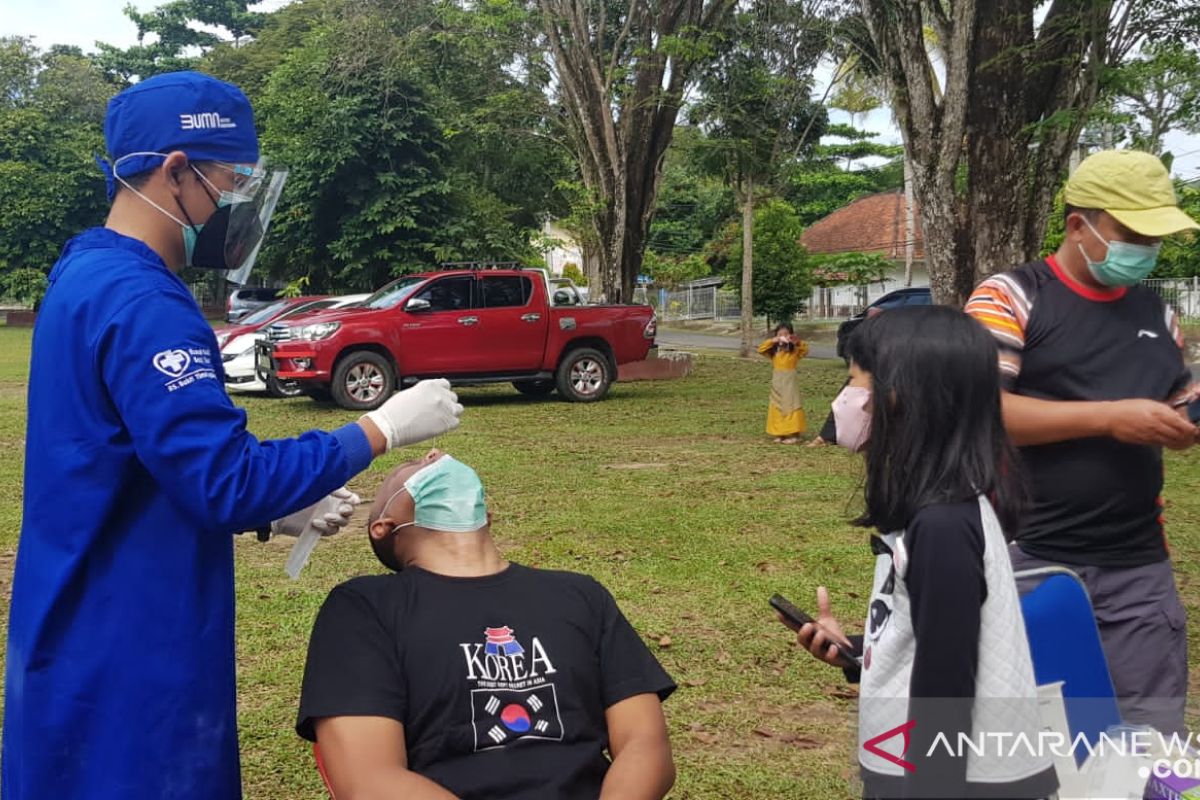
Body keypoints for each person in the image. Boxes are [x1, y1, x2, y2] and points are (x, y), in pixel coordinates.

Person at [2, 71, 464, 800]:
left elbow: (144, 458)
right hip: (131, 644)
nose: (236, 207)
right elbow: (223, 481)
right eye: (230, 182)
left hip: (73, 620)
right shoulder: (143, 301)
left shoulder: (83, 275)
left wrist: (274, 512)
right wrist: (381, 427)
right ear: (175, 171)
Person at [965, 149, 1200, 734]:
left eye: (1155, 236)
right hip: (1028, 557)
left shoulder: (1157, 314)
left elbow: (1181, 404)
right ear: (1079, 225)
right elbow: (980, 411)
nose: (1146, 249)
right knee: (1033, 739)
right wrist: (1109, 418)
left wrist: (1185, 418)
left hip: (1138, 566)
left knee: (1151, 738)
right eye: (1133, 232)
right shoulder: (1011, 297)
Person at [784, 307, 1058, 800]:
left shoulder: (943, 526)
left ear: (900, 398)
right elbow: (938, 635)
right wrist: (855, 650)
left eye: (856, 384)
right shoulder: (939, 510)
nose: (847, 403)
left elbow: (947, 688)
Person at [297, 450, 677, 800]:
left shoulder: (581, 595)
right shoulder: (364, 608)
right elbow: (368, 780)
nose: (435, 454)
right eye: (409, 467)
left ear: (486, 517)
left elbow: (645, 744)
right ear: (383, 525)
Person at [757, 322, 809, 443]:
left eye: (786, 334)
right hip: (777, 382)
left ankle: (793, 434)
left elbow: (805, 350)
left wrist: (797, 342)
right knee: (777, 405)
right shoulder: (774, 352)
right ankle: (780, 433)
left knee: (791, 405)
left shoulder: (794, 351)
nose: (783, 336)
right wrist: (773, 341)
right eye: (780, 334)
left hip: (790, 382)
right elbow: (761, 349)